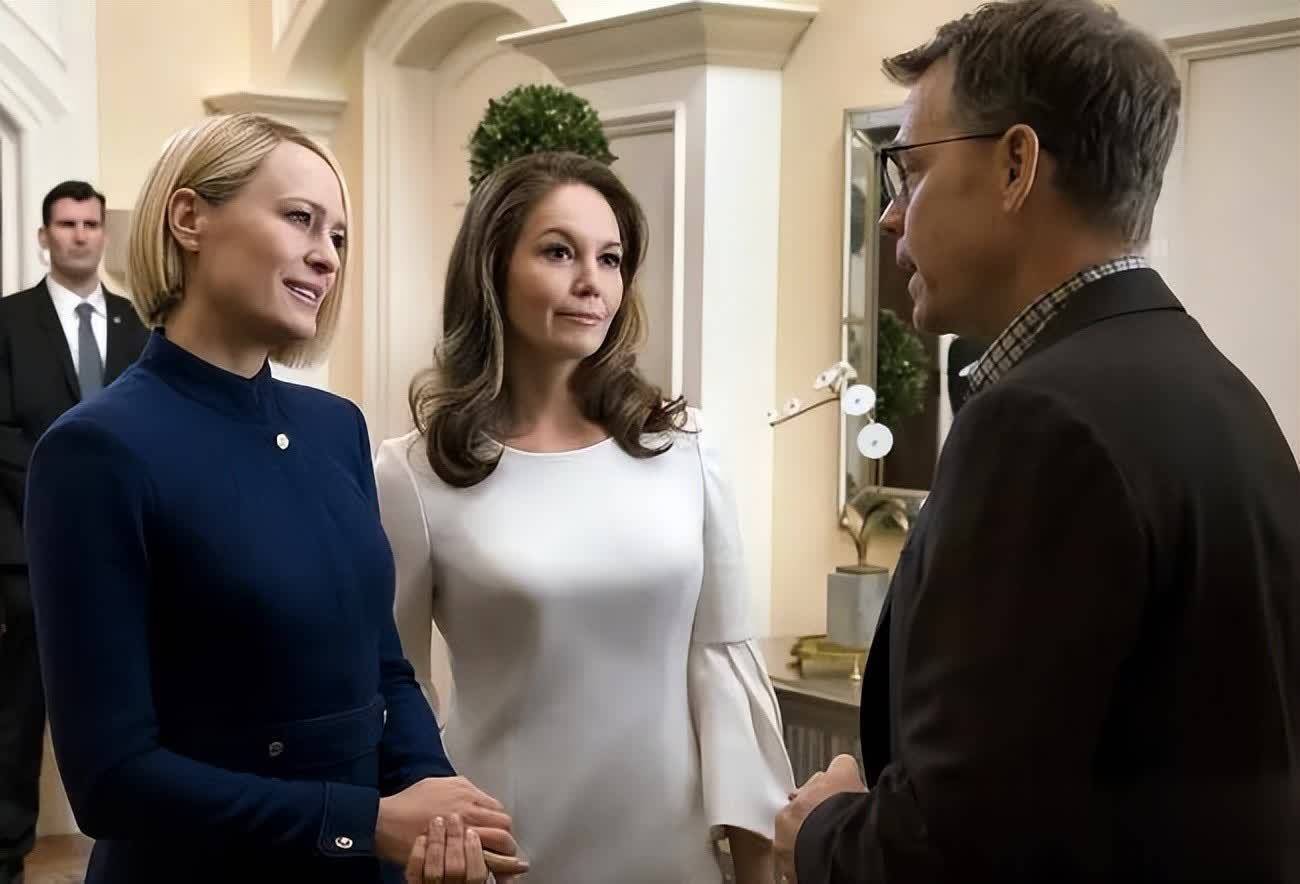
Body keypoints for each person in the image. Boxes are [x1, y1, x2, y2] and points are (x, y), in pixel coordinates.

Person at [777, 1, 1300, 882]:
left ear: (1016, 165)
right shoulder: (1221, 390)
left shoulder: (1039, 424)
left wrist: (821, 828)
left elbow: (952, 850)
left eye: (910, 171)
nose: (891, 218)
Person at [23, 114, 527, 884]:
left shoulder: (337, 428)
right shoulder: (93, 450)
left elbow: (384, 669)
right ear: (188, 218)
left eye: (339, 236)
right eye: (300, 218)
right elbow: (111, 780)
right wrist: (364, 822)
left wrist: (433, 795)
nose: (327, 255)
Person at [375, 151, 794, 883]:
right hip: (502, 856)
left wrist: (757, 873)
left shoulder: (685, 448)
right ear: (492, 268)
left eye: (610, 258)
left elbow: (723, 674)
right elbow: (398, 689)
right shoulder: (413, 473)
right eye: (558, 252)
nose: (591, 282)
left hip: (673, 860)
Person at [0, 180, 149, 884]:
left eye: (91, 223)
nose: (80, 235)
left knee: (135, 710)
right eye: (66, 224)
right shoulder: (8, 321)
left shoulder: (139, 325)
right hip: (26, 556)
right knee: (16, 717)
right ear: (44, 236)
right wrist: (66, 494)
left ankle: (139, 849)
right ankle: (7, 855)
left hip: (130, 557)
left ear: (103, 235)